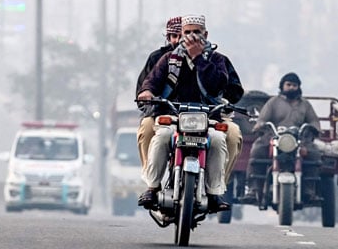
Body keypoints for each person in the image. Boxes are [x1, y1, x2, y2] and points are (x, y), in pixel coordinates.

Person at [136, 14, 231, 213]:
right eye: (187, 32)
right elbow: (152, 80)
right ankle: (152, 187)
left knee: (217, 140)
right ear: (180, 35)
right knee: (162, 136)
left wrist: (198, 58)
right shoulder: (168, 58)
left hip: (208, 118)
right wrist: (147, 91)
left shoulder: (217, 59)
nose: (191, 36)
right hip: (173, 115)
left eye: (196, 32)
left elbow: (219, 85)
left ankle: (214, 192)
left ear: (205, 34)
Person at [240, 72, 321, 204]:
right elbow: (262, 119)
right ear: (282, 86)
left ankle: (309, 190)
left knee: (314, 154)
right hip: (275, 137)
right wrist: (260, 126)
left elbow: (314, 121)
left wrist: (314, 128)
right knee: (257, 149)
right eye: (288, 85)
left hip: (298, 138)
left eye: (294, 85)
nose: (291, 88)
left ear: (299, 87)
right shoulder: (273, 102)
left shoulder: (305, 104)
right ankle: (253, 190)